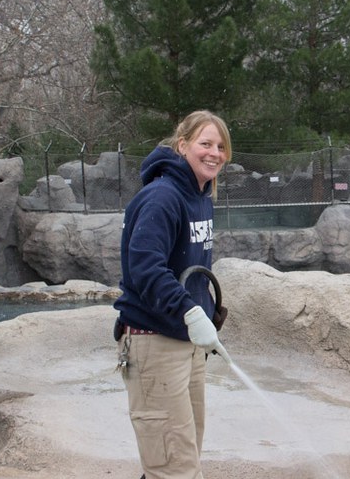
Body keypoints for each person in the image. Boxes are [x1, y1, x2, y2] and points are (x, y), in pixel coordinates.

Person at [114, 110, 232, 479]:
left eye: (220, 146)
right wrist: (189, 311)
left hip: (185, 343)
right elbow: (145, 267)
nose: (214, 153)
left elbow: (191, 267)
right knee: (172, 466)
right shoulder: (162, 198)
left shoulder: (202, 197)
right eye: (205, 144)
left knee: (184, 453)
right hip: (154, 342)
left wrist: (205, 313)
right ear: (183, 146)